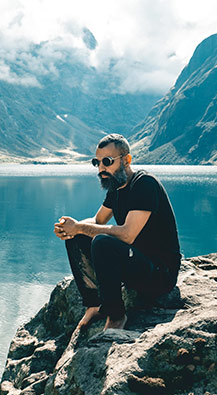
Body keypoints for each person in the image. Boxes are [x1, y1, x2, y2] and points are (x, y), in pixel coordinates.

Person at [54, 134, 181, 330]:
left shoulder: (144, 184)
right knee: (77, 237)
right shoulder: (116, 188)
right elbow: (97, 221)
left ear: (127, 160)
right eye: (97, 162)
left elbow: (127, 234)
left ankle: (116, 316)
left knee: (102, 242)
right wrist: (72, 228)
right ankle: (94, 304)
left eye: (107, 161)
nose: (101, 168)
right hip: (135, 264)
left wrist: (79, 227)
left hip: (160, 274)